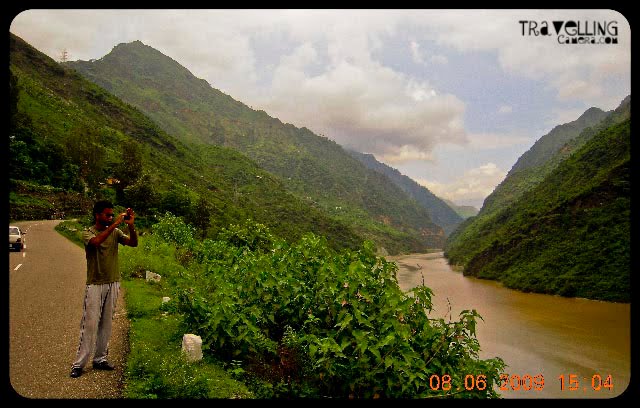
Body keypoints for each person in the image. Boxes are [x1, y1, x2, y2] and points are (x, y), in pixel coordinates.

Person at [69, 200, 137, 378]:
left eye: (112, 214)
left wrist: (131, 227)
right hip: (95, 283)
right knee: (89, 325)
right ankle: (79, 364)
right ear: (97, 215)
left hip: (113, 281)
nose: (111, 217)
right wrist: (115, 224)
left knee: (106, 323)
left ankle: (100, 359)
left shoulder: (116, 232)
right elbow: (96, 243)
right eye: (107, 214)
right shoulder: (88, 232)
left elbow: (133, 243)